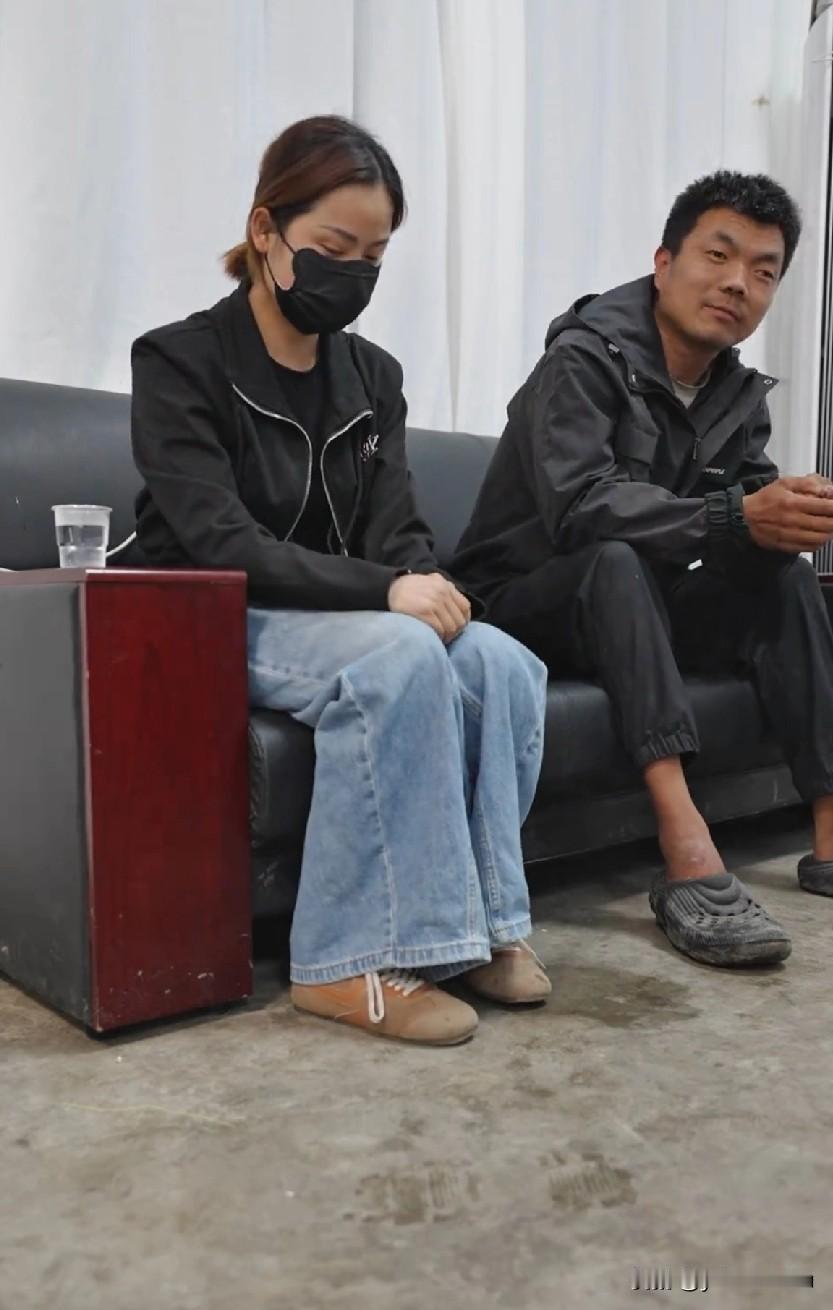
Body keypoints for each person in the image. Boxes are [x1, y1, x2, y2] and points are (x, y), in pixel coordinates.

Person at [130, 116, 550, 1045]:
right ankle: (343, 962)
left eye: (374, 256)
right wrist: (386, 593)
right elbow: (217, 539)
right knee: (396, 655)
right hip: (214, 611)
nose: (353, 273)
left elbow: (397, 528)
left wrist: (428, 587)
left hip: (338, 619)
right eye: (333, 247)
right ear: (266, 230)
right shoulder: (178, 360)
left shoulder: (372, 376)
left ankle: (478, 930)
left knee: (500, 662)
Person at [453, 170, 833, 968]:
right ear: (663, 263)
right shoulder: (581, 360)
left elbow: (742, 516)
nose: (737, 283)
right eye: (717, 256)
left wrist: (787, 515)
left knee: (785, 575)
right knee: (612, 559)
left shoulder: (734, 392)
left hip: (632, 610)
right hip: (521, 604)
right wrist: (736, 516)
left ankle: (830, 826)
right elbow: (579, 509)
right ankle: (684, 844)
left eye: (762, 271)